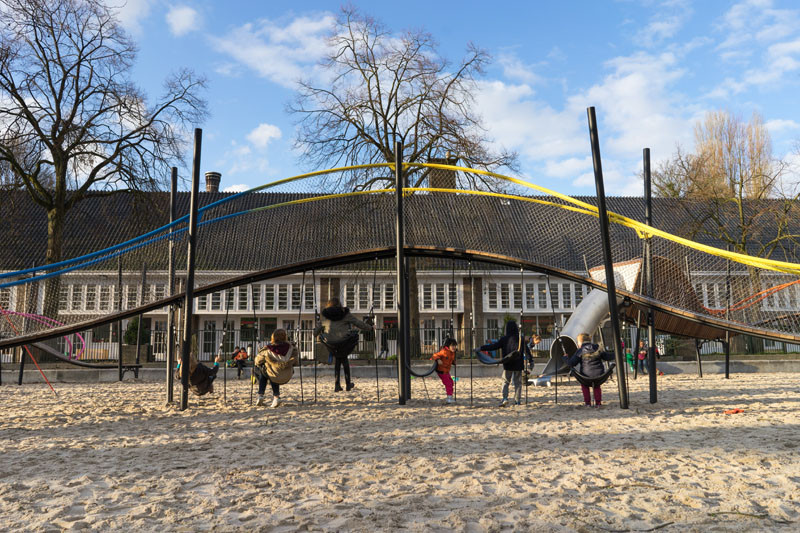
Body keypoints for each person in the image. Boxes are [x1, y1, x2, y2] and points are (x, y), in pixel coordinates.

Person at [314, 298, 373, 392]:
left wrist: (315, 333)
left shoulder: (324, 316)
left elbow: (317, 329)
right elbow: (358, 323)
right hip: (343, 342)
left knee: (338, 359)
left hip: (331, 343)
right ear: (339, 305)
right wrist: (370, 328)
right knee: (345, 356)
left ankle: (337, 385)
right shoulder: (345, 314)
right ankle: (348, 384)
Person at [479, 321, 533, 407]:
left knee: (505, 382)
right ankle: (517, 400)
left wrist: (481, 348)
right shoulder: (520, 339)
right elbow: (527, 351)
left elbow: (494, 346)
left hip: (508, 363)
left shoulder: (504, 339)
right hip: (518, 364)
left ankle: (505, 398)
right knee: (518, 383)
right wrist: (531, 360)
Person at [564, 332, 615, 408]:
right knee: (597, 386)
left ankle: (587, 403)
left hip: (585, 376)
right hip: (599, 375)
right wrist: (617, 351)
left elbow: (571, 363)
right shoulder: (598, 348)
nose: (578, 344)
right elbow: (607, 357)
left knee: (584, 386)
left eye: (577, 342)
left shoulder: (580, 351)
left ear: (580, 342)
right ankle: (598, 403)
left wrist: (565, 358)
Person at [254, 329, 297, 408]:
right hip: (287, 375)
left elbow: (257, 361)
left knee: (264, 370)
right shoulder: (292, 348)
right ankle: (276, 397)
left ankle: (261, 395)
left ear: (273, 337)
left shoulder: (268, 349)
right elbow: (296, 362)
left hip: (273, 375)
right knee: (274, 371)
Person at [431, 338, 457, 404]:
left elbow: (450, 359)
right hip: (441, 371)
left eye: (455, 346)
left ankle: (450, 396)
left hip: (446, 371)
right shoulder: (444, 351)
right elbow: (435, 355)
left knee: (451, 382)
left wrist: (453, 362)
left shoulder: (452, 353)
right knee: (448, 384)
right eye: (452, 346)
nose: (454, 347)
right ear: (448, 346)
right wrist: (438, 359)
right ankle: (449, 398)